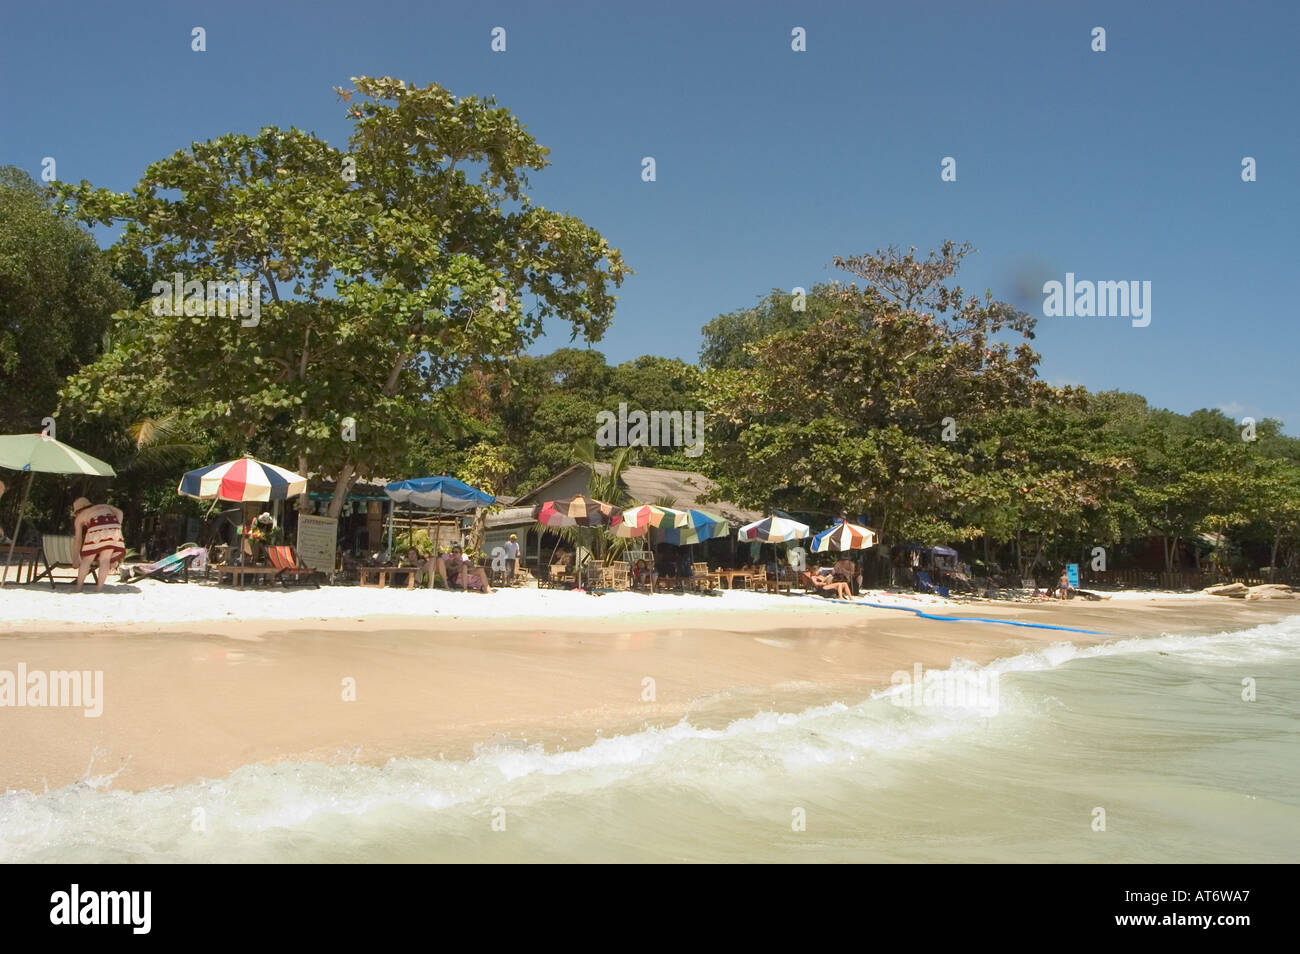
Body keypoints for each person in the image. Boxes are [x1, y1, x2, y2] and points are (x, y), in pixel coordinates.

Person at [71, 497, 125, 593]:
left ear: (78, 510)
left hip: (96, 528)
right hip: (114, 528)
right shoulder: (104, 506)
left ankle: (78, 588)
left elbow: (78, 540)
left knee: (87, 560)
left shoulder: (80, 516)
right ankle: (99, 589)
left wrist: (75, 558)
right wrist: (117, 525)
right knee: (105, 560)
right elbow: (120, 513)